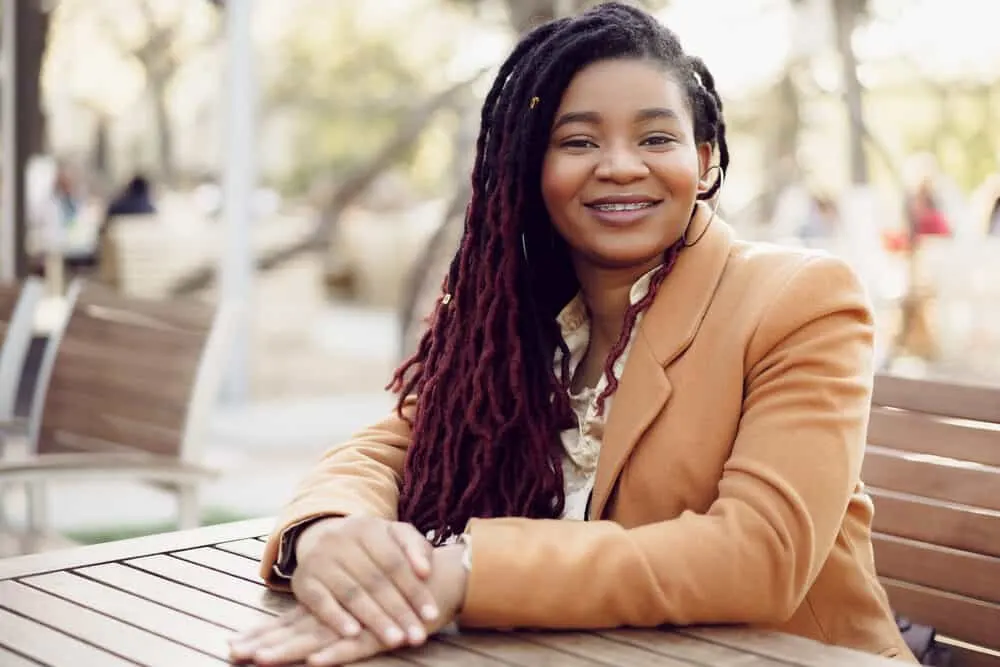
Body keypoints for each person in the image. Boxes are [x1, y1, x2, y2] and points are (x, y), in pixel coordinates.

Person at [230, 4, 915, 665]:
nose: (619, 165)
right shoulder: (514, 318)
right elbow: (389, 448)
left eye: (656, 138)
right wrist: (326, 534)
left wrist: (467, 572)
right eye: (579, 141)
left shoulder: (800, 300)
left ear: (703, 160)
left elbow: (758, 554)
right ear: (532, 170)